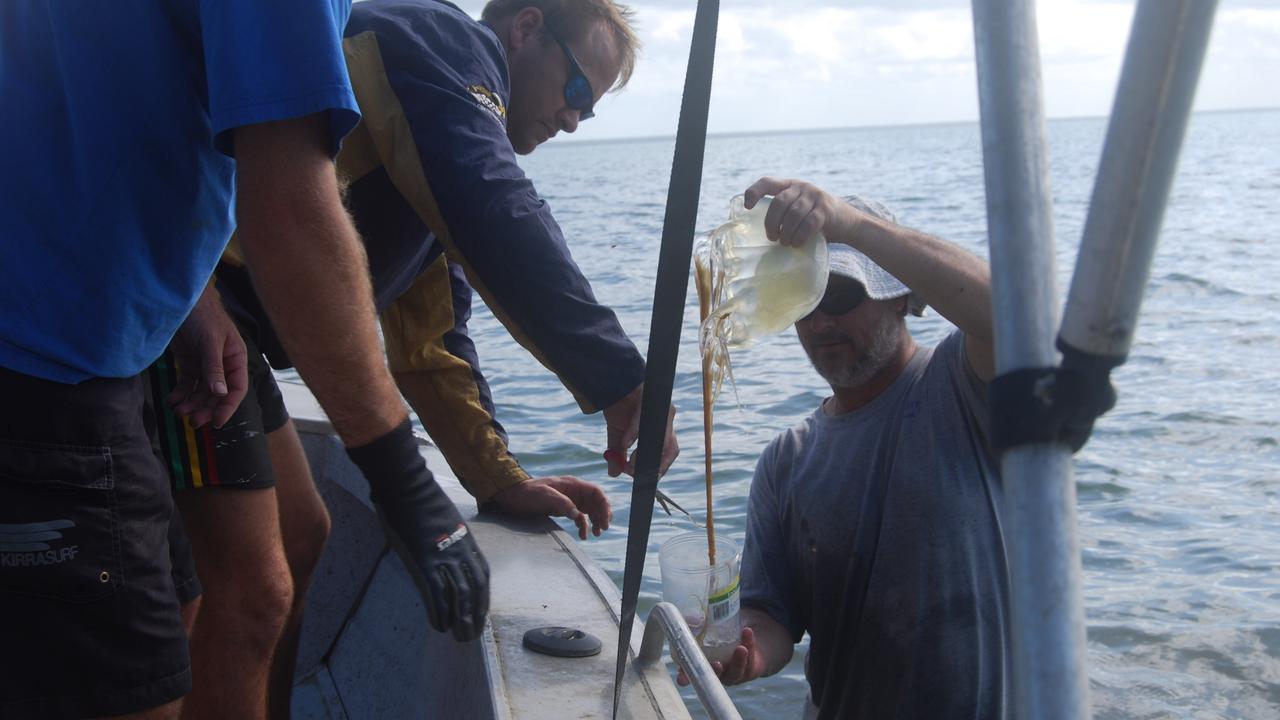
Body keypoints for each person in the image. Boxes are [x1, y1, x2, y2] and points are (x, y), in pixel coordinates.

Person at [147, 1, 678, 717]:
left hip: (229, 338)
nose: (573, 119)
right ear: (525, 30)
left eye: (590, 110)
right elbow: (493, 201)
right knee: (249, 586)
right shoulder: (443, 46)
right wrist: (624, 377)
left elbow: (432, 347)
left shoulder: (422, 144)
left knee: (302, 537)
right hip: (178, 309)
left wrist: (500, 480)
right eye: (577, 90)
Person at [0, 1, 488, 718]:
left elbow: (83, 100)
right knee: (131, 686)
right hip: (41, 367)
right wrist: (403, 482)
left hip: (84, 355)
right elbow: (288, 209)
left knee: (183, 603)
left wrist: (193, 301)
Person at [686, 177, 1007, 719]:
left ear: (901, 297)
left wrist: (849, 224)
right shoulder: (785, 461)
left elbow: (1015, 317)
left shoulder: (961, 386)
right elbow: (773, 616)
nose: (820, 322)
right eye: (804, 299)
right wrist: (748, 649)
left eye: (839, 294)